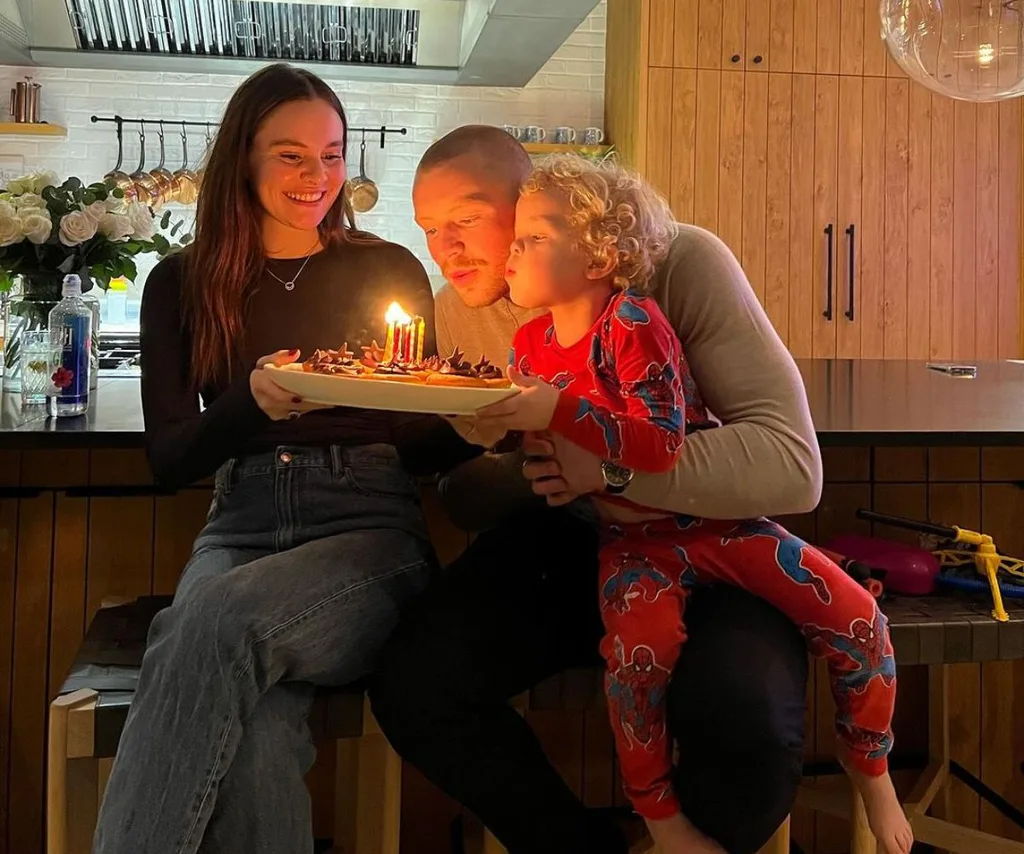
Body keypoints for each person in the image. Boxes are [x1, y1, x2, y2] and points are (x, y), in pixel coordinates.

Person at [368, 125, 820, 854]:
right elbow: (474, 494)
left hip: (710, 539)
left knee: (750, 718)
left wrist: (608, 466)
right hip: (575, 543)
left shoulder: (675, 263)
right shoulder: (459, 311)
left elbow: (792, 463)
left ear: (537, 204)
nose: (444, 249)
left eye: (465, 218)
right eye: (428, 229)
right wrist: (508, 451)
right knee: (417, 681)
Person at [455, 155, 912, 854]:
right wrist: (505, 431)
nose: (508, 255)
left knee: (856, 616)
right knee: (637, 663)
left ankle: (870, 763)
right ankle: (660, 818)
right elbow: (539, 443)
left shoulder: (635, 323)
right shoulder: (530, 344)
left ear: (600, 253)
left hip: (722, 528)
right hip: (634, 548)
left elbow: (660, 443)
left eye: (530, 238)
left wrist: (566, 423)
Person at [93, 64, 454, 854]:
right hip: (239, 526)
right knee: (254, 732)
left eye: (331, 154)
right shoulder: (181, 284)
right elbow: (168, 461)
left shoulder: (388, 269)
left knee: (209, 622)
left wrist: (487, 419)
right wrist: (251, 401)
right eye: (291, 155)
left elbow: (421, 437)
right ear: (244, 157)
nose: (317, 177)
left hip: (368, 531)